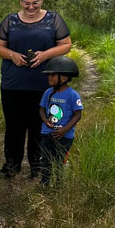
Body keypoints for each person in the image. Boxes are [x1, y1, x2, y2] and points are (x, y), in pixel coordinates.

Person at [0, 0, 72, 179]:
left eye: (35, 3)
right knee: (14, 127)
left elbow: (66, 45)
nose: (30, 7)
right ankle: (11, 166)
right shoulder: (10, 21)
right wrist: (11, 55)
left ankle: (37, 166)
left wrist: (46, 55)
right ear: (20, 2)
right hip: (13, 84)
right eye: (26, 3)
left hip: (44, 84)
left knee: (40, 125)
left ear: (41, 1)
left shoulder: (53, 20)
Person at [38, 56, 83, 185]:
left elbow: (77, 115)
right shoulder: (48, 92)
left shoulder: (72, 95)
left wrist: (64, 129)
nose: (49, 78)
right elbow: (41, 108)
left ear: (63, 78)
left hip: (65, 136)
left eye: (52, 75)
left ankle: (59, 184)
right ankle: (44, 182)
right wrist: (45, 120)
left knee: (59, 160)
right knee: (45, 158)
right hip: (47, 133)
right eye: (48, 75)